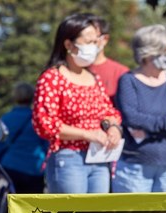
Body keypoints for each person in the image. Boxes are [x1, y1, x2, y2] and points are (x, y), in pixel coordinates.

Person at [32, 13, 122, 194]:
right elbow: (45, 123)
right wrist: (87, 134)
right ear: (68, 45)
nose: (94, 47)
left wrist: (113, 127)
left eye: (96, 42)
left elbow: (108, 111)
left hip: (99, 158)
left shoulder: (93, 78)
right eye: (88, 42)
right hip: (69, 158)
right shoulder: (52, 78)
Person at [112, 24, 166, 193]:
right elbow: (131, 117)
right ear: (148, 53)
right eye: (165, 51)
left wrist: (148, 129)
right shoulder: (128, 81)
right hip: (135, 167)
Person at [0, 82, 48, 193]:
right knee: (33, 207)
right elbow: (46, 144)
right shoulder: (38, 119)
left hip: (10, 167)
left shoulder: (7, 118)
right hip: (34, 168)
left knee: (11, 205)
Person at [88, 15, 129, 101]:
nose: (87, 42)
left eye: (92, 38)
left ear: (105, 39)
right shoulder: (70, 72)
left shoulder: (121, 73)